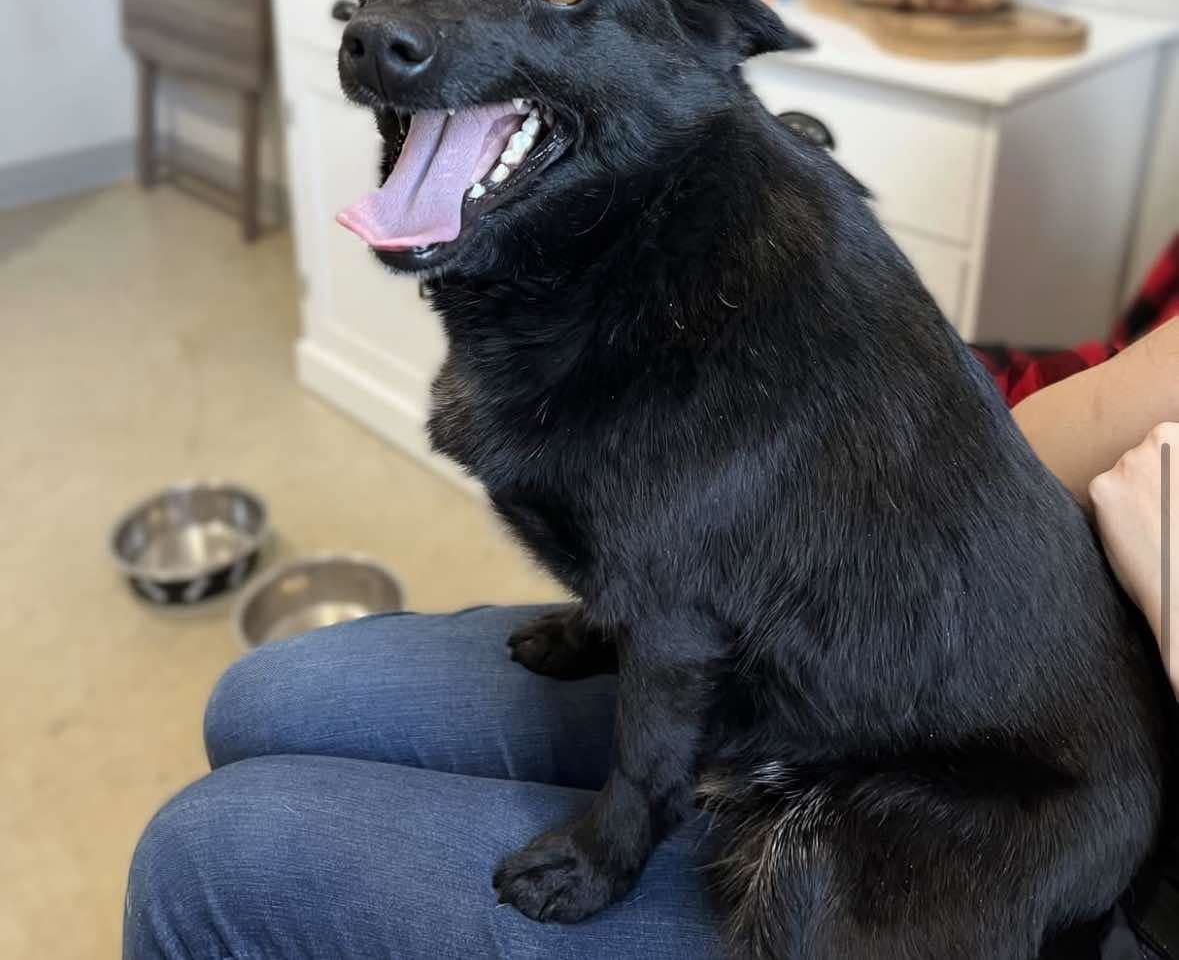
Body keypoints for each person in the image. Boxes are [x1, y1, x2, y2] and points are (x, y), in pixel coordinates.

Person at [124, 293, 1179, 959]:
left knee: (207, 856)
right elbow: (1048, 437)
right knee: (270, 696)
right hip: (946, 651)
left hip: (1049, 846)